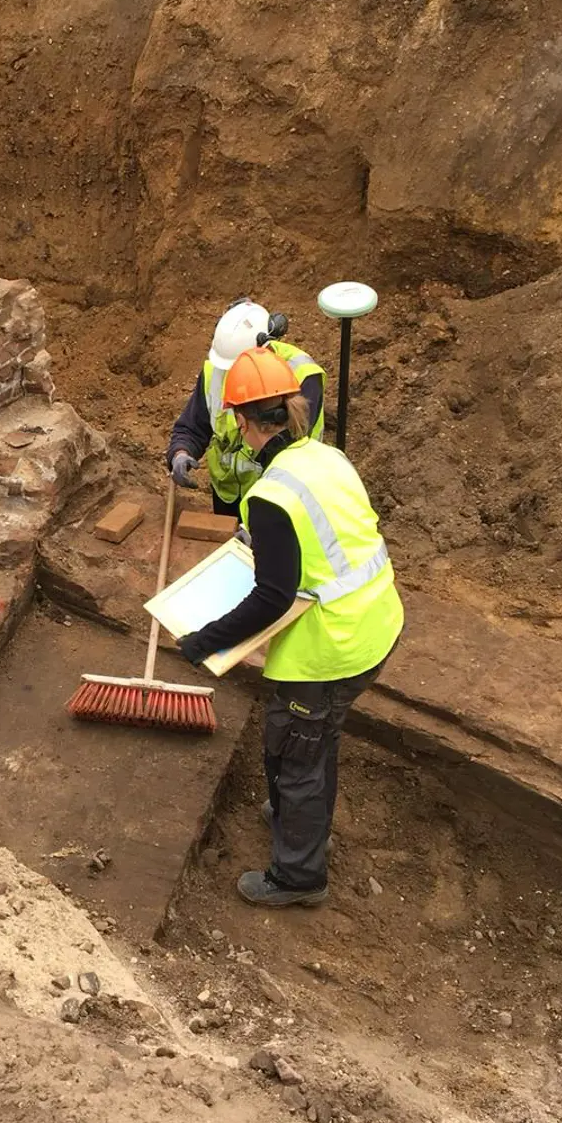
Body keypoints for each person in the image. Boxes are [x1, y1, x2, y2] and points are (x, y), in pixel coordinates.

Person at [175, 348, 402, 907]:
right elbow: (341, 537)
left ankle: (300, 877)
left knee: (297, 752)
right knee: (312, 739)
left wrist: (205, 641)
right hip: (379, 624)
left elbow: (272, 598)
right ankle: (293, 812)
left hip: (333, 649)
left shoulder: (270, 497)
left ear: (243, 422)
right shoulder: (327, 457)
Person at [166, 299, 326, 517]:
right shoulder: (217, 370)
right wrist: (180, 452)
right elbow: (193, 426)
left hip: (279, 500)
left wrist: (260, 525)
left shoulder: (301, 377)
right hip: (228, 494)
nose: (231, 376)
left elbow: (287, 456)